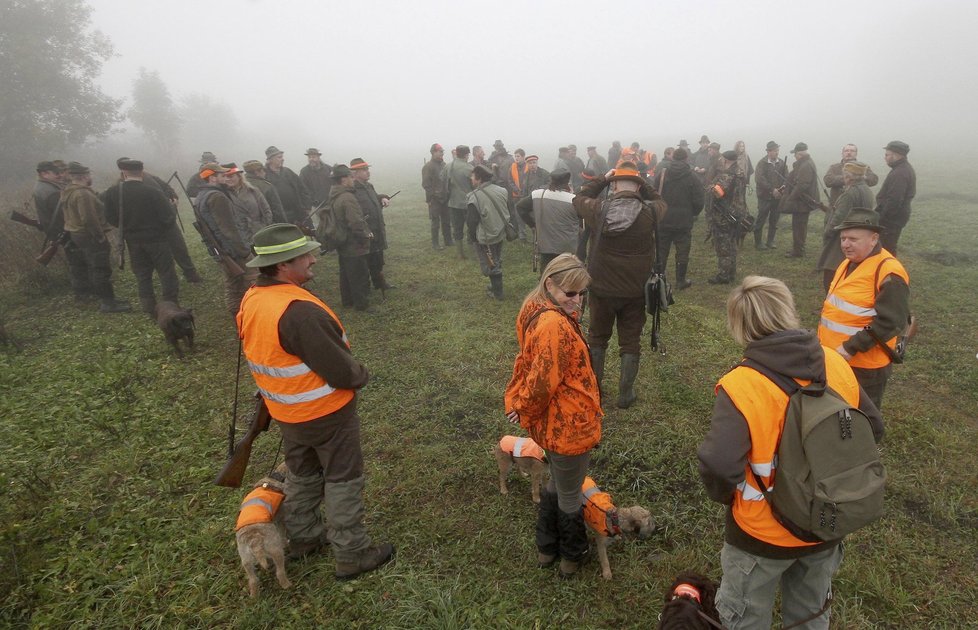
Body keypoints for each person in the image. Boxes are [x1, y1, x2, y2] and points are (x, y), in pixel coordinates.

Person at [698, 275, 883, 630]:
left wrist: (727, 499)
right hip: (827, 521)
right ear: (788, 309)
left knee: (745, 616)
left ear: (739, 325)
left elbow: (719, 464)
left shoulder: (741, 384)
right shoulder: (835, 363)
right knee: (811, 614)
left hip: (760, 536)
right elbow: (873, 429)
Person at [236, 223, 394, 577]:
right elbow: (342, 372)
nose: (313, 260)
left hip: (286, 413)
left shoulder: (253, 298)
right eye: (304, 256)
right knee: (342, 478)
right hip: (326, 413)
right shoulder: (299, 311)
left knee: (302, 473)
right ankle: (351, 554)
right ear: (281, 266)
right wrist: (361, 375)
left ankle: (305, 537)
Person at [504, 254, 602, 578]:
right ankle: (572, 556)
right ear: (550, 284)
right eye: (570, 293)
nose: (578, 301)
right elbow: (541, 381)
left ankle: (546, 548)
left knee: (558, 483)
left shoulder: (535, 307)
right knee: (569, 493)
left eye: (582, 293)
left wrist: (527, 412)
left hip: (554, 423)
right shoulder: (553, 324)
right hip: (568, 426)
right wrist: (524, 409)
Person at [572, 162, 666, 408]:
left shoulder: (597, 209)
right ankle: (625, 395)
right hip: (636, 291)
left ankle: (595, 392)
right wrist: (642, 183)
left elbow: (579, 197)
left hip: (601, 288)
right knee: (630, 341)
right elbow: (660, 200)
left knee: (598, 338)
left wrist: (603, 179)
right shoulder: (651, 213)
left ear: (614, 186)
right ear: (637, 186)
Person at [818, 208, 910, 409]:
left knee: (863, 417)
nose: (845, 244)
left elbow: (891, 322)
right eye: (842, 238)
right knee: (837, 410)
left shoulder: (890, 274)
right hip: (835, 358)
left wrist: (851, 347)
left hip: (865, 366)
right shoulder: (848, 262)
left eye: (853, 239)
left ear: (874, 238)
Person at [102, 159, 180, 315]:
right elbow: (168, 218)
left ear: (123, 172)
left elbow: (109, 217)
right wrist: (172, 209)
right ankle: (171, 306)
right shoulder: (153, 192)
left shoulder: (112, 192)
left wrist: (127, 227)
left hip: (133, 241)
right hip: (157, 239)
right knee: (166, 273)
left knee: (142, 275)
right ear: (142, 172)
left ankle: (149, 309)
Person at [60, 162, 130, 313]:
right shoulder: (82, 194)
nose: (90, 177)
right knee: (100, 269)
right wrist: (100, 237)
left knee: (96, 268)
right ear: (84, 176)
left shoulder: (69, 191)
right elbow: (89, 219)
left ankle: (108, 299)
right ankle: (108, 303)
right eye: (89, 174)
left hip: (78, 235)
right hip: (90, 236)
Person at [194, 162, 258, 314]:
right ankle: (253, 314)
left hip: (221, 250)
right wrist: (244, 251)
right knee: (254, 282)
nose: (226, 177)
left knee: (233, 286)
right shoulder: (217, 196)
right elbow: (228, 229)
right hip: (234, 251)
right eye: (222, 175)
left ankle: (237, 316)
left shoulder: (201, 196)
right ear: (212, 178)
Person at [34, 161, 94, 300]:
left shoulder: (43, 187)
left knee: (77, 262)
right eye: (55, 173)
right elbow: (65, 215)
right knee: (79, 263)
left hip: (59, 231)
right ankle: (84, 294)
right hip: (66, 232)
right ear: (44, 173)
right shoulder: (51, 192)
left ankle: (85, 292)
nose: (59, 175)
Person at [816, 162, 874, 291]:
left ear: (848, 177)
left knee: (831, 273)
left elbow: (838, 218)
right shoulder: (867, 190)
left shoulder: (849, 194)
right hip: (860, 236)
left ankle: (831, 303)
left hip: (842, 236)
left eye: (844, 176)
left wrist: (827, 232)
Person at [324, 165, 373, 311]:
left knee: (345, 272)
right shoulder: (347, 197)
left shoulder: (334, 194)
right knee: (359, 273)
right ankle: (362, 304)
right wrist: (365, 234)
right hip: (353, 241)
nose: (353, 179)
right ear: (344, 179)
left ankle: (347, 300)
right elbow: (355, 222)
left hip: (342, 239)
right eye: (351, 176)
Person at [655, 147, 704, 290]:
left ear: (673, 158)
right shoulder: (692, 176)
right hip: (684, 221)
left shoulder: (662, 173)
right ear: (686, 159)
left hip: (664, 219)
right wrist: (692, 213)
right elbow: (699, 200)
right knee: (682, 251)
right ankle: (680, 280)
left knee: (662, 251)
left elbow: (653, 193)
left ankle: (659, 279)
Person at [516, 169, 578, 272]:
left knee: (546, 273)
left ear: (551, 179)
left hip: (545, 243)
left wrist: (533, 224)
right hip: (567, 246)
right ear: (567, 182)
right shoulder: (573, 199)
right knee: (565, 274)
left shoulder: (537, 194)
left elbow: (520, 207)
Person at [466, 165, 512, 300]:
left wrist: (473, 238)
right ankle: (494, 286)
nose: (471, 178)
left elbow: (471, 222)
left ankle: (498, 294)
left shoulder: (474, 196)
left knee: (491, 264)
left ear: (479, 179)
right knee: (496, 259)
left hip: (486, 236)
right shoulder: (502, 190)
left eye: (473, 176)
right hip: (501, 233)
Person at [349, 158, 394, 293]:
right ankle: (364, 289)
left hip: (377, 228)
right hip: (365, 231)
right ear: (355, 173)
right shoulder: (352, 190)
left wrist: (383, 198)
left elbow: (374, 197)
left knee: (378, 258)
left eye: (367, 169)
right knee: (366, 261)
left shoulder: (369, 186)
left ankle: (379, 283)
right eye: (364, 170)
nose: (368, 172)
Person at [706, 150, 748, 285]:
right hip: (737, 212)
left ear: (726, 160)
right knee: (732, 244)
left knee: (723, 246)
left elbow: (718, 193)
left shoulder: (727, 175)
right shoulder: (740, 172)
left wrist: (711, 186)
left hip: (724, 215)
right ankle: (731, 273)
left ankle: (724, 275)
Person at [779, 142, 820, 258]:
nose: (794, 156)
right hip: (802, 201)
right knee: (799, 225)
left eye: (795, 154)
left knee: (799, 226)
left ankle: (798, 251)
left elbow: (802, 185)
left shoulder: (805, 165)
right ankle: (798, 249)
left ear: (799, 154)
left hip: (802, 202)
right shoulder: (805, 163)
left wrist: (790, 198)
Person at [875, 140, 916, 254]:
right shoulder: (902, 169)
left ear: (895, 155)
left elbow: (894, 200)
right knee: (887, 248)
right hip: (895, 219)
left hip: (891, 221)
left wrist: (882, 219)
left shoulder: (900, 173)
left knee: (885, 250)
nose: (885, 158)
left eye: (887, 154)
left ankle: (889, 271)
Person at [265, 146, 312, 229]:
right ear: (270, 160)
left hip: (298, 213)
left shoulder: (288, 172)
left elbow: (303, 189)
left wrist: (307, 206)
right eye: (279, 157)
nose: (282, 159)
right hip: (280, 217)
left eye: (282, 157)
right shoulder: (265, 176)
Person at [752, 141, 787, 250]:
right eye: (775, 151)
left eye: (777, 150)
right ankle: (758, 242)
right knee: (761, 218)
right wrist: (772, 190)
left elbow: (787, 177)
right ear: (768, 152)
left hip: (777, 197)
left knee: (774, 219)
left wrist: (782, 189)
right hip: (764, 197)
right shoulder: (762, 163)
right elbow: (760, 179)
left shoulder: (781, 163)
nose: (777, 153)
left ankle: (770, 241)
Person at [442, 144, 474, 259]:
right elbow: (475, 185)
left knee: (457, 228)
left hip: (453, 202)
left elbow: (443, 180)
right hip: (468, 203)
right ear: (466, 154)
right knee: (472, 226)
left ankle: (460, 253)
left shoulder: (448, 166)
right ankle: (474, 249)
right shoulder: (469, 168)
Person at [421, 143, 451, 249]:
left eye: (442, 151)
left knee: (447, 220)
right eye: (440, 151)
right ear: (434, 152)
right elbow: (426, 184)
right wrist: (430, 198)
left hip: (445, 197)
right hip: (434, 199)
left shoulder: (444, 165)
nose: (442, 153)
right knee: (435, 222)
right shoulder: (428, 167)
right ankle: (435, 244)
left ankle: (448, 241)